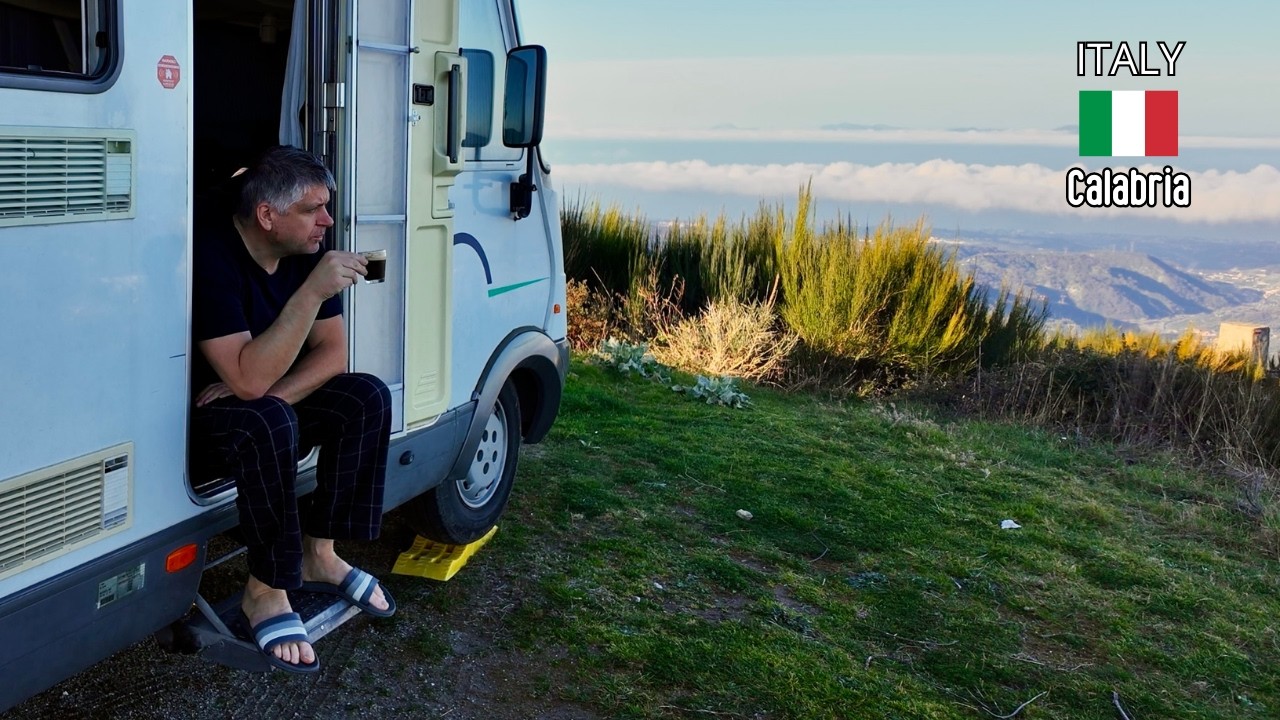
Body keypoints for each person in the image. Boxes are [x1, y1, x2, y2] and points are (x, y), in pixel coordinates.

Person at [190, 146, 395, 674]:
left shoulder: (308, 251)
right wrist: (311, 293)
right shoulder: (211, 257)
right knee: (267, 418)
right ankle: (266, 586)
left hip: (258, 403)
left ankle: (318, 554)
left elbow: (334, 354)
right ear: (267, 216)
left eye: (327, 207)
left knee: (366, 396)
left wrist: (275, 395)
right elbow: (245, 377)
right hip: (203, 421)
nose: (327, 221)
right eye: (313, 209)